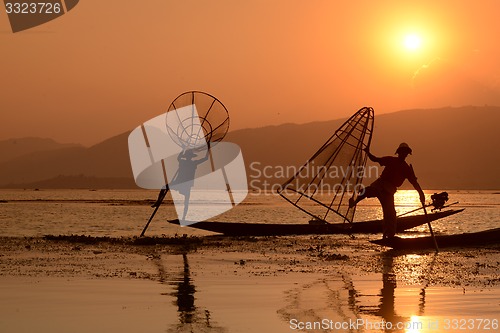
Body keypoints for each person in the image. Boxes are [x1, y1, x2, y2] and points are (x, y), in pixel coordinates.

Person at [349, 143, 425, 239]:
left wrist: (421, 194)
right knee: (368, 191)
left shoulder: (406, 169)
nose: (404, 154)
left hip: (389, 190)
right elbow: (375, 159)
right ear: (399, 153)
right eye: (402, 152)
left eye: (405, 153)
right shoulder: (391, 160)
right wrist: (368, 152)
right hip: (381, 184)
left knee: (390, 214)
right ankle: (355, 201)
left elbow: (414, 183)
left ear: (407, 154)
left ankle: (389, 235)